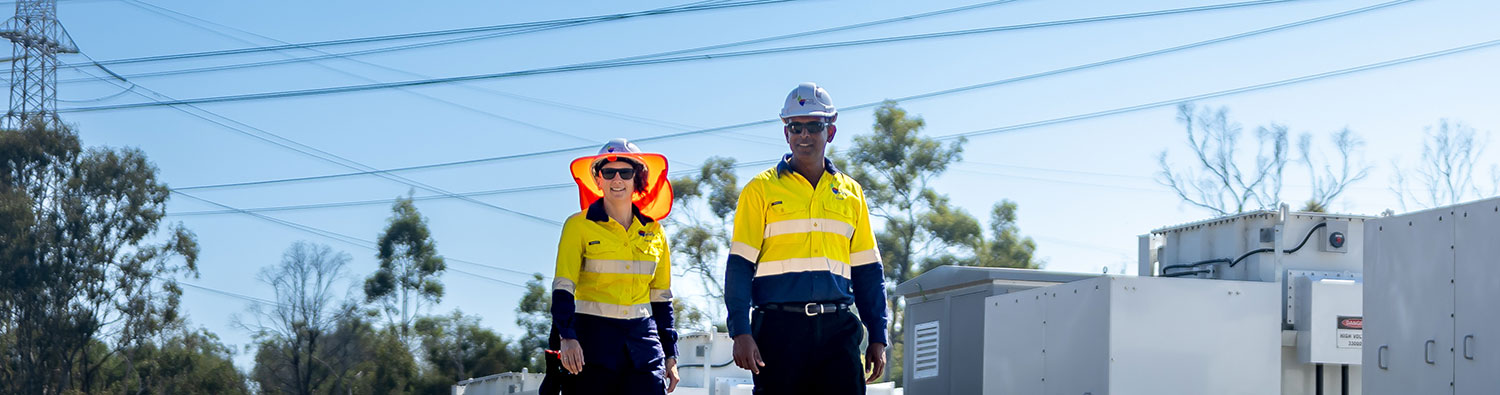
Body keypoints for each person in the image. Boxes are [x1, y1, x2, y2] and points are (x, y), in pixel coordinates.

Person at [724, 82, 888, 394]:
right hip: (777, 332)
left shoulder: (852, 194)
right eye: (795, 127)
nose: (804, 135)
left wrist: (878, 336)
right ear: (786, 133)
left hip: (838, 331)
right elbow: (740, 266)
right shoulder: (760, 190)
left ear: (831, 132)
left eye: (814, 126)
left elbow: (868, 272)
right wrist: (740, 332)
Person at [543, 138, 680, 394]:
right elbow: (563, 288)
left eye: (625, 172)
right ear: (598, 180)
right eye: (608, 172)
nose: (617, 179)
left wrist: (671, 356)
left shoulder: (655, 231)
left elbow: (661, 299)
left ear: (637, 178)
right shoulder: (577, 226)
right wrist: (567, 338)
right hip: (591, 344)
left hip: (643, 344)